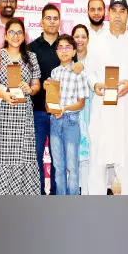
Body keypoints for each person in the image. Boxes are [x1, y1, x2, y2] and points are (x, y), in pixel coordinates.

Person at [85, 0, 128, 195]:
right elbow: (89, 72)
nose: (118, 15)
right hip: (103, 111)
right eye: (114, 11)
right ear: (109, 14)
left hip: (126, 110)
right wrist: (95, 84)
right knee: (98, 161)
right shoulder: (96, 42)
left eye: (122, 11)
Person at [0, 18, 41, 195]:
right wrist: (3, 94)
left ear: (24, 36)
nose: (15, 36)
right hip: (1, 115)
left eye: (19, 32)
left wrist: (30, 89)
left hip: (23, 115)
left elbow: (36, 85)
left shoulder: (31, 57)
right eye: (11, 32)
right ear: (5, 35)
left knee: (24, 155)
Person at [47, 34, 88, 195]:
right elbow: (51, 99)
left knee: (72, 167)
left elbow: (81, 103)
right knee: (58, 166)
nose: (64, 51)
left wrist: (64, 108)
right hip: (55, 121)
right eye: (60, 47)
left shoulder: (79, 73)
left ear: (74, 51)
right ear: (56, 51)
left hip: (71, 121)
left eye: (68, 47)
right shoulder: (54, 73)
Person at [28, 4, 62, 195]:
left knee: (58, 158)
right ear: (41, 21)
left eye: (55, 18)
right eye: (48, 18)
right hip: (37, 111)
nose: (52, 22)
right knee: (36, 156)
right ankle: (39, 195)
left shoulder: (66, 45)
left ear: (60, 22)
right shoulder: (32, 48)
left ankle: (56, 195)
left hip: (60, 112)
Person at [72, 24, 92, 194]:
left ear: (88, 40)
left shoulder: (94, 62)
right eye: (77, 36)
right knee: (73, 157)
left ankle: (87, 193)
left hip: (91, 113)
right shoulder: (66, 60)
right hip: (71, 114)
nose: (80, 40)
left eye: (83, 37)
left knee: (89, 158)